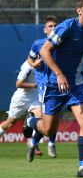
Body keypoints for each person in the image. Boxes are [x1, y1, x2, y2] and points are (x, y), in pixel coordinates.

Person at [24, 0, 83, 178]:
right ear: (79, 10)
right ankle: (31, 121)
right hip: (53, 84)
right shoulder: (66, 27)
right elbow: (45, 51)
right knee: (48, 130)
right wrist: (59, 74)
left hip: (76, 82)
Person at [25, 16, 59, 160]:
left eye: (55, 26)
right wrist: (34, 64)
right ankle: (31, 123)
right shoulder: (38, 44)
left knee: (53, 120)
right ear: (45, 30)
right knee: (48, 122)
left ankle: (34, 142)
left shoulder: (62, 43)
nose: (53, 28)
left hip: (61, 84)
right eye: (50, 26)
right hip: (45, 86)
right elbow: (29, 59)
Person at [0, 60, 43, 161]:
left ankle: (32, 144)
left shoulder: (44, 63)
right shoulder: (27, 66)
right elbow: (18, 84)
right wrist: (34, 85)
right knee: (9, 124)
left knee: (40, 119)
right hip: (21, 99)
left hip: (34, 97)